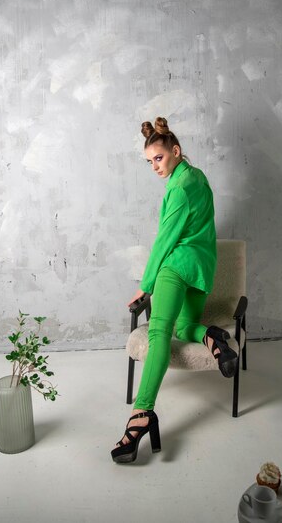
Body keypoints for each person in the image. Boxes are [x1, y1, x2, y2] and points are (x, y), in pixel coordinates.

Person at [111, 117, 237, 464]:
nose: (154, 166)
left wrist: (146, 285)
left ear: (175, 151)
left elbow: (165, 241)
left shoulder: (178, 190)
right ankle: (212, 338)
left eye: (159, 158)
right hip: (201, 270)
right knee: (183, 328)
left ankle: (141, 415)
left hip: (175, 269)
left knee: (158, 332)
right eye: (149, 161)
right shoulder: (199, 178)